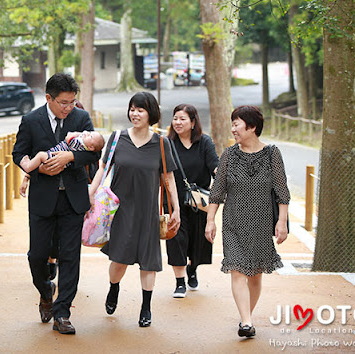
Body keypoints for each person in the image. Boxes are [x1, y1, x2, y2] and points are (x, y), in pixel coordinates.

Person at [12, 73, 100, 335]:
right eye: (63, 102)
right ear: (48, 98)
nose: (68, 107)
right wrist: (38, 169)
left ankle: (62, 313)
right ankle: (45, 290)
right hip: (42, 199)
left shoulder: (81, 119)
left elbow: (94, 151)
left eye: (73, 102)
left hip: (73, 199)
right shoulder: (30, 120)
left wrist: (70, 157)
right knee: (37, 255)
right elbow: (19, 152)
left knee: (70, 257)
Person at [89, 92, 180, 328]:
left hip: (148, 212)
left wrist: (176, 209)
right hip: (120, 210)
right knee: (119, 259)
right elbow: (102, 168)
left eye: (140, 109)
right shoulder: (117, 138)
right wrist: (91, 192)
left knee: (149, 261)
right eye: (132, 109)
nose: (135, 113)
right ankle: (113, 289)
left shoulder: (161, 143)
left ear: (151, 113)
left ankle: (146, 307)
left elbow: (169, 179)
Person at [205, 105, 290, 338]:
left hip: (262, 224)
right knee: (236, 269)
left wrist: (281, 223)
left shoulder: (272, 154)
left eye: (237, 124)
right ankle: (245, 322)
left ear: (252, 127)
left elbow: (282, 191)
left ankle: (247, 317)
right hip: (233, 222)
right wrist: (210, 220)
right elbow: (217, 191)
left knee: (255, 275)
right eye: (232, 124)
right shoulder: (229, 155)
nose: (233, 129)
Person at [165, 104, 219, 298]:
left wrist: (223, 179)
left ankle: (192, 268)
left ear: (193, 122)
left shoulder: (204, 142)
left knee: (198, 241)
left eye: (183, 119)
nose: (178, 123)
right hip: (173, 200)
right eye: (175, 118)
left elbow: (215, 166)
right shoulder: (167, 143)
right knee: (177, 239)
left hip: (199, 202)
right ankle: (180, 282)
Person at [19, 131, 105, 174]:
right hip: (59, 163)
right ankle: (31, 171)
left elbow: (68, 137)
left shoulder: (79, 144)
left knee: (41, 155)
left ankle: (28, 167)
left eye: (90, 136)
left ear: (91, 147)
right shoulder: (84, 147)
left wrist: (76, 133)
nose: (87, 134)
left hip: (54, 156)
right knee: (42, 163)